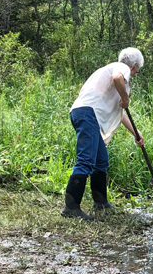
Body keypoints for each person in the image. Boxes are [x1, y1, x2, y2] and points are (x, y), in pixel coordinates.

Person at [62, 47, 145, 220]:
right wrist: (126, 98)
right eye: (137, 70)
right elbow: (118, 80)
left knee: (101, 160)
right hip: (88, 113)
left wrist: (136, 133)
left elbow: (119, 113)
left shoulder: (105, 70)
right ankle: (71, 207)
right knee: (86, 159)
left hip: (82, 112)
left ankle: (100, 202)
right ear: (135, 66)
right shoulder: (121, 69)